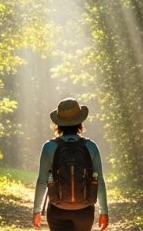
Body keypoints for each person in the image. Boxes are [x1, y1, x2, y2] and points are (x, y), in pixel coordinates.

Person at [32, 97, 109, 231]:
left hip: (57, 209)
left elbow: (42, 181)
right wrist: (104, 211)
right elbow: (99, 180)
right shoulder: (90, 146)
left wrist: (36, 210)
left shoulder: (49, 147)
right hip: (84, 211)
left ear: (58, 123)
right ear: (80, 122)